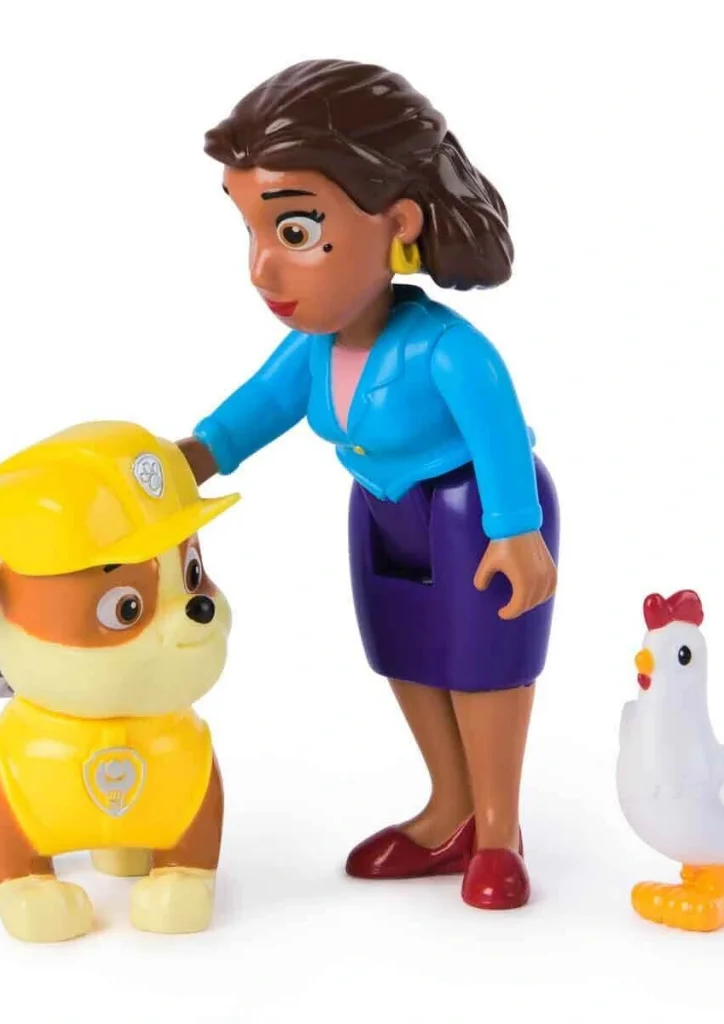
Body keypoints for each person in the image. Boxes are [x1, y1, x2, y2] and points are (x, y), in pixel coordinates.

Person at [178, 59, 559, 910]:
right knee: (407, 654)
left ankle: (499, 832)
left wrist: (517, 527)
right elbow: (256, 409)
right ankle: (451, 810)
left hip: (474, 512)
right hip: (382, 510)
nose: (262, 269)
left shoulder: (448, 348)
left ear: (398, 224)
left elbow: (499, 430)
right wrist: (192, 458)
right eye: (251, 230)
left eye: (296, 231)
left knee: (484, 668)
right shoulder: (315, 348)